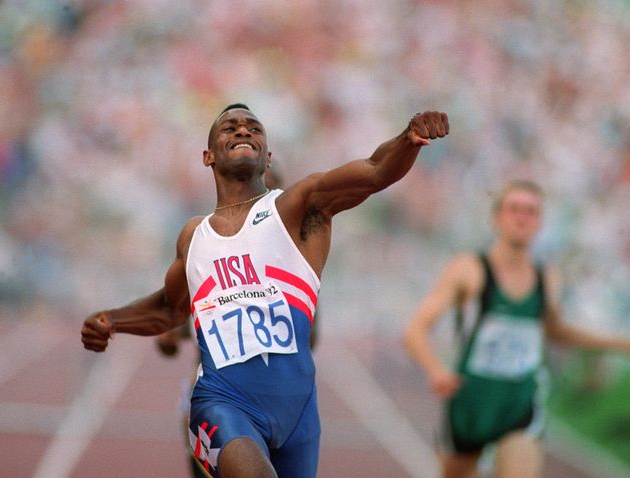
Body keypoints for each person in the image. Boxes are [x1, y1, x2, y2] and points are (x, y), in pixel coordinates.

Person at [81, 103, 449, 478]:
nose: (242, 130)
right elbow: (170, 308)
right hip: (221, 402)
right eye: (229, 128)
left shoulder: (298, 207)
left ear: (267, 155)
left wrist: (408, 140)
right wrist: (113, 320)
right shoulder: (194, 237)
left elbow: (374, 171)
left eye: (253, 127)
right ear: (207, 156)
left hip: (299, 417)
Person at [403, 179, 630, 478]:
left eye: (531, 211)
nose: (522, 217)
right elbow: (416, 330)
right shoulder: (469, 270)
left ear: (540, 223)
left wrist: (625, 345)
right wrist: (436, 370)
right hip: (470, 403)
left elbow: (557, 331)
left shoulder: (546, 276)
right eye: (514, 209)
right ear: (497, 218)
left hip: (519, 403)